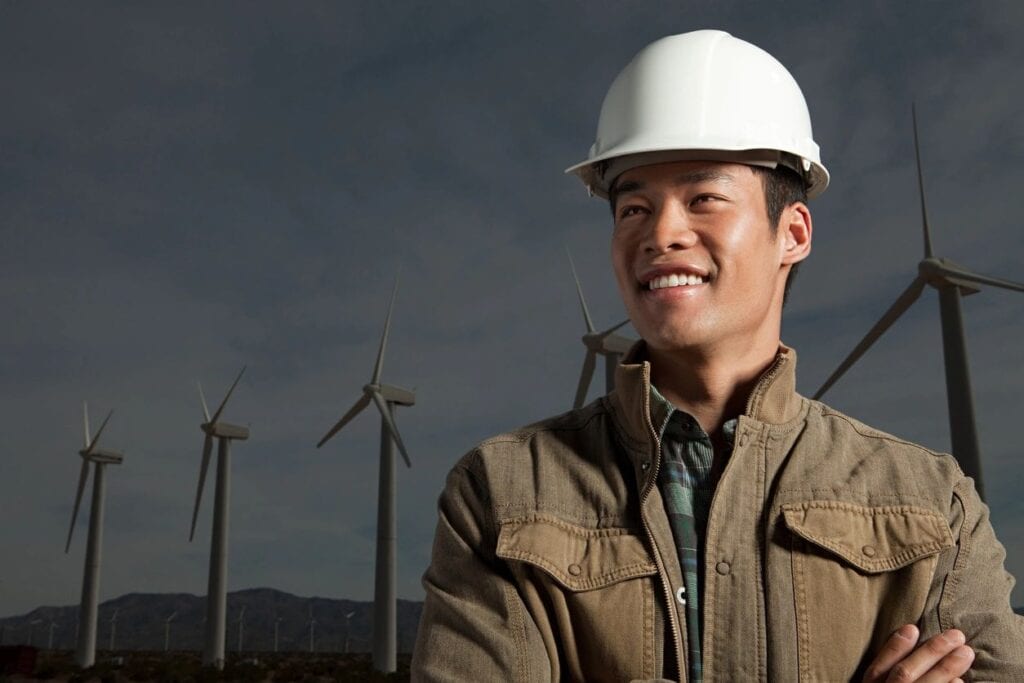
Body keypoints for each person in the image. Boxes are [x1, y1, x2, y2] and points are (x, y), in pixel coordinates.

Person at [411, 30, 1024, 682]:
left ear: (791, 233)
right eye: (634, 207)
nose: (660, 233)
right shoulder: (501, 494)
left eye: (703, 198)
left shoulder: (933, 504)